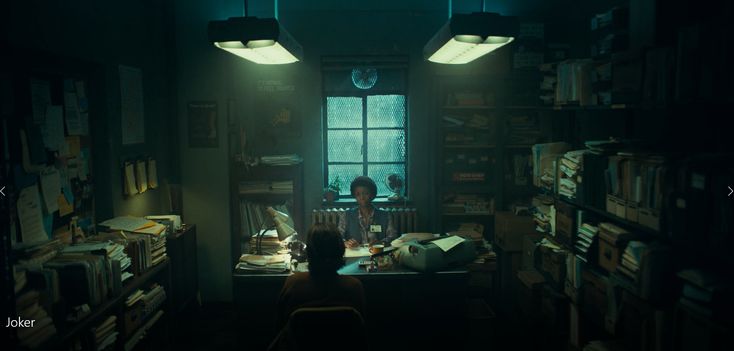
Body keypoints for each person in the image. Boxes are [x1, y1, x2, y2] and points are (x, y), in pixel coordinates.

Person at [275, 223, 365, 332]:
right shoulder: (353, 286)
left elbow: (280, 324)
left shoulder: (294, 284)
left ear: (309, 252)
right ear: (341, 251)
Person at [339, 176, 397, 248]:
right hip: (355, 254)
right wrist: (346, 243)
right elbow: (338, 237)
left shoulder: (386, 215)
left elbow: (393, 237)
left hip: (378, 254)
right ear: (354, 196)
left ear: (372, 195)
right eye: (358, 194)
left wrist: (381, 243)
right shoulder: (346, 215)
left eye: (366, 193)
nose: (362, 197)